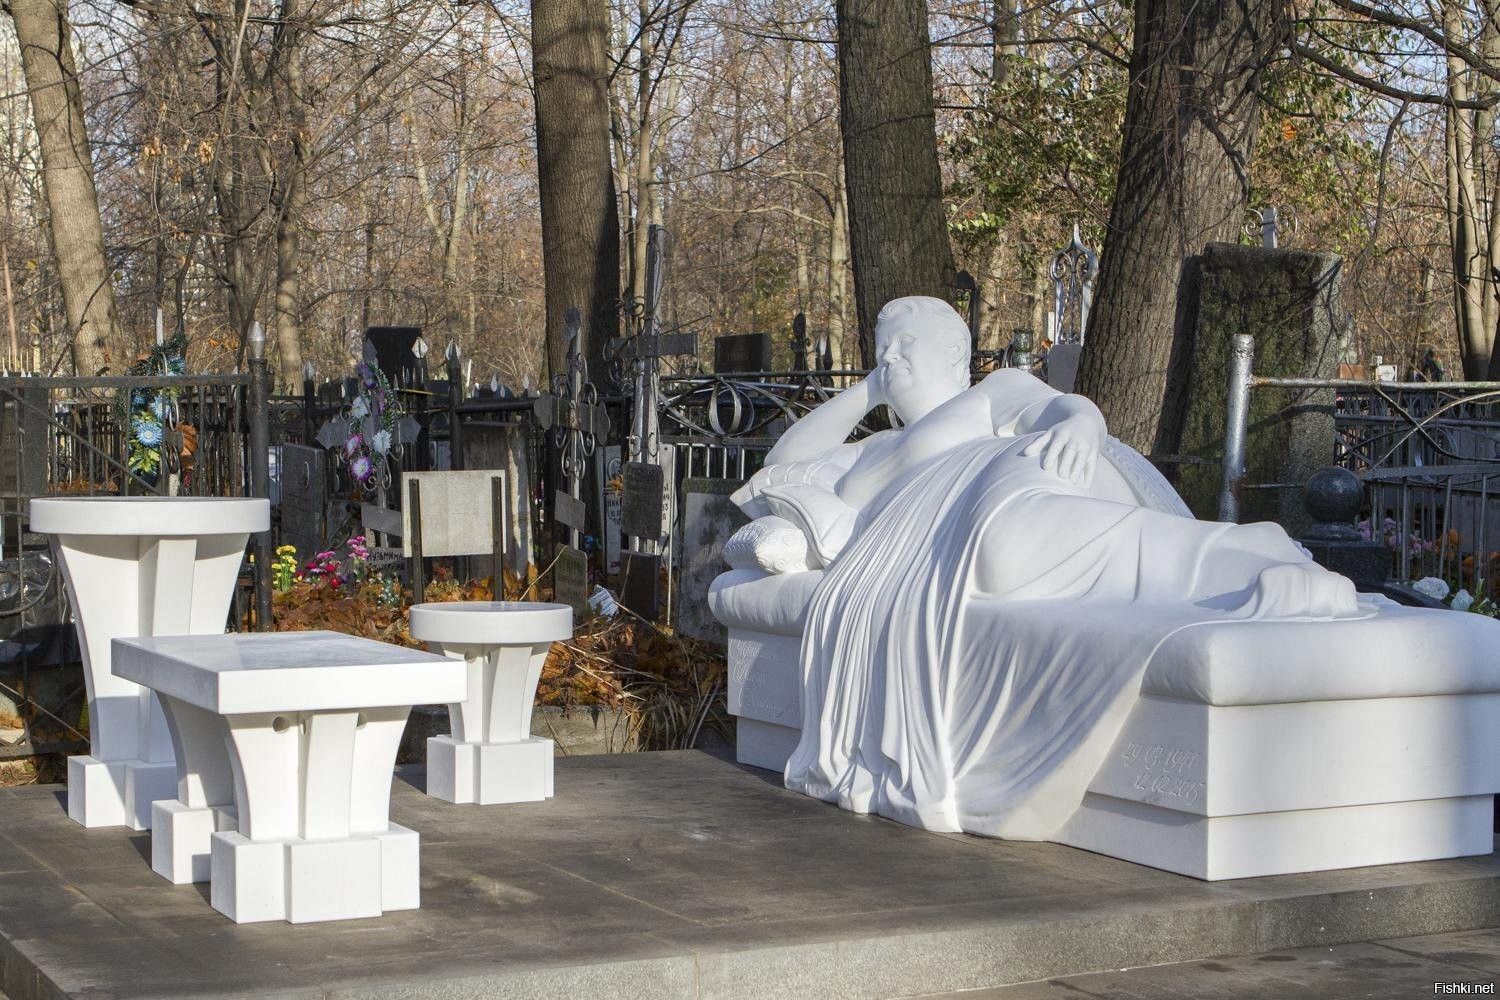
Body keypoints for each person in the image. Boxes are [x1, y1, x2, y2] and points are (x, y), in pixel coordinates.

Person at [734, 295, 1365, 841]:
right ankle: (1250, 563)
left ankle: (1251, 561)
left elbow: (1061, 407)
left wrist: (1085, 426)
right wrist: (870, 388)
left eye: (904, 343)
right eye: (880, 347)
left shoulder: (986, 394)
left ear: (953, 354)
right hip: (928, 537)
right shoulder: (872, 448)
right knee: (1016, 554)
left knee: (1031, 543)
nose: (889, 356)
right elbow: (784, 463)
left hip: (993, 482)